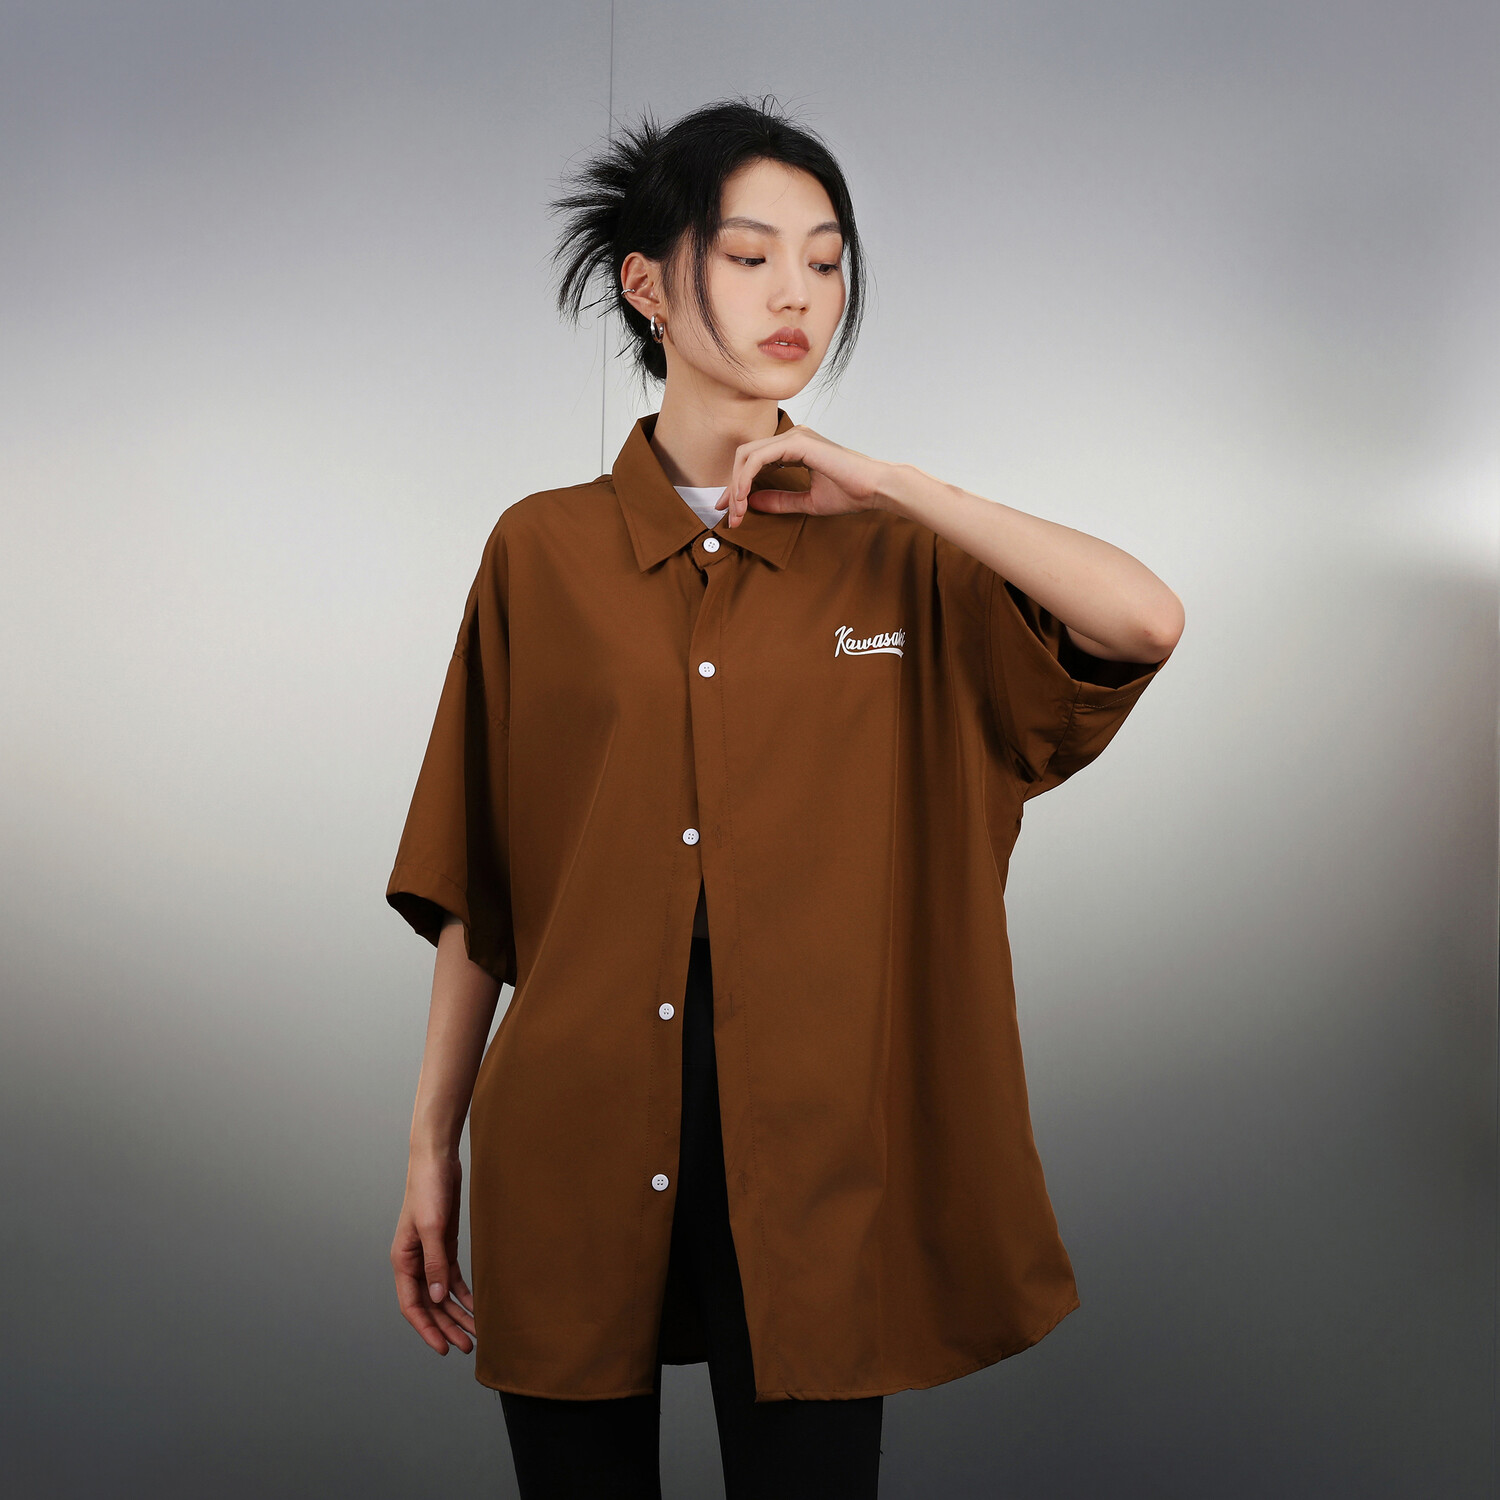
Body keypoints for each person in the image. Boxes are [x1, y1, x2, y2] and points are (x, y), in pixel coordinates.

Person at [385, 95, 1182, 1500]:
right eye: (751, 257)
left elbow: (1145, 620)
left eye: (824, 260)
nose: (796, 294)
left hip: (822, 1149)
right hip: (569, 1134)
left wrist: (894, 486)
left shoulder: (900, 554)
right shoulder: (540, 552)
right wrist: (428, 1147)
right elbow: (481, 886)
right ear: (649, 284)